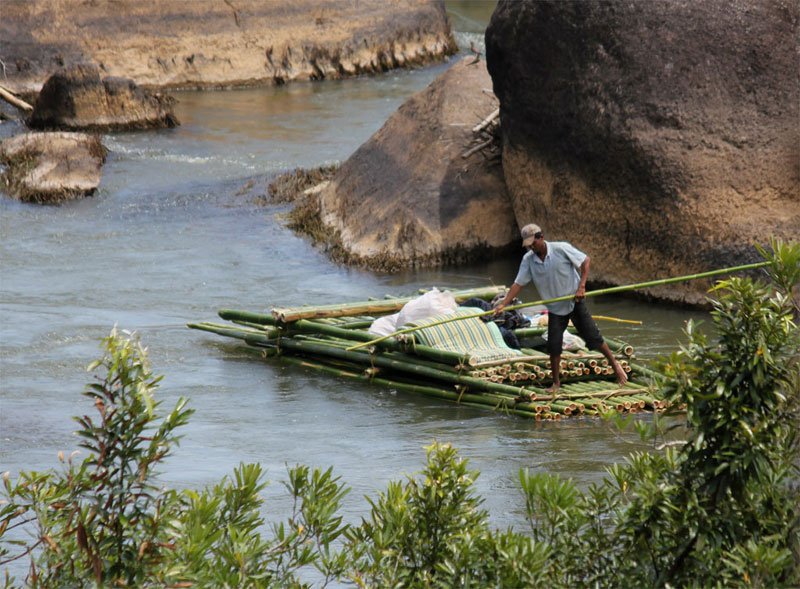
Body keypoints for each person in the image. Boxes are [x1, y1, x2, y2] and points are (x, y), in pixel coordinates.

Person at [493, 223, 628, 394]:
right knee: (554, 345)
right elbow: (518, 284)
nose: (532, 248)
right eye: (528, 246)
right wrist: (504, 304)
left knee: (593, 337)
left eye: (533, 244)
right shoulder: (529, 260)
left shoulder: (561, 249)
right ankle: (556, 383)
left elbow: (585, 261)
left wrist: (582, 287)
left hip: (573, 300)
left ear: (541, 237)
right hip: (555, 307)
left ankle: (615, 366)